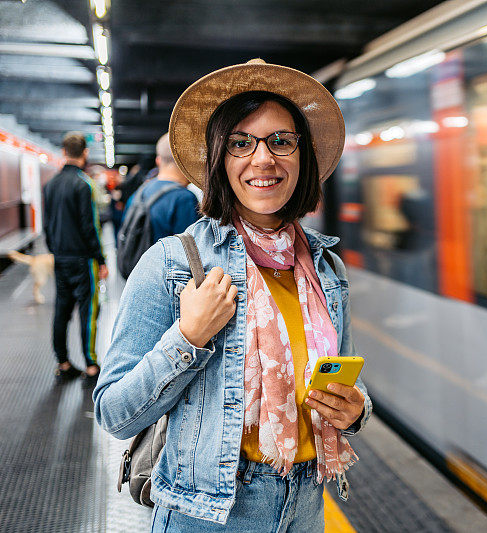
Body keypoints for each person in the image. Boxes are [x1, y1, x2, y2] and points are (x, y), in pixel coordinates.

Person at [93, 59, 371, 531]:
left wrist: (356, 408)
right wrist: (188, 337)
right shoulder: (172, 264)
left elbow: (344, 376)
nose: (263, 159)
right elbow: (115, 413)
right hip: (210, 514)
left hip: (306, 505)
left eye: (281, 141)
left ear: (302, 157)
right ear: (219, 158)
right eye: (241, 143)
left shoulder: (326, 268)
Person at [43, 132, 109, 383]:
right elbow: (90, 225)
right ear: (84, 154)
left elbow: (47, 225)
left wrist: (54, 251)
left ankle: (63, 362)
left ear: (63, 152)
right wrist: (100, 259)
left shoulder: (50, 184)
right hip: (84, 260)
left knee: (61, 310)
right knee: (88, 311)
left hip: (60, 258)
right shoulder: (84, 184)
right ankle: (91, 366)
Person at [132, 133, 201, 241]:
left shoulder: (140, 192)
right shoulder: (184, 199)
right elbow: (191, 250)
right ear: (186, 161)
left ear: (158, 161)